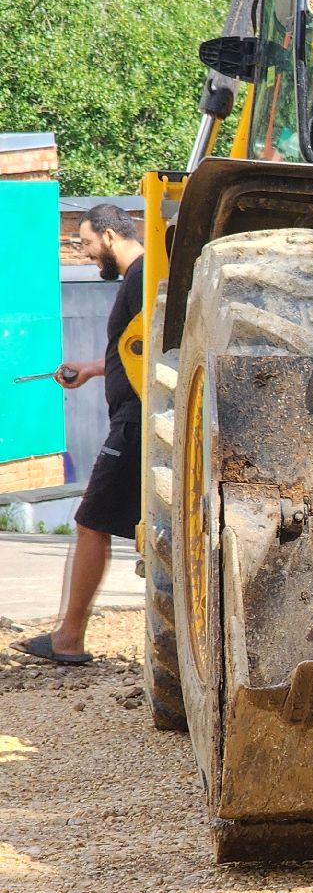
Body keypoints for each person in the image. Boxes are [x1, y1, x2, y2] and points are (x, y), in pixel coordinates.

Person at [11, 204, 146, 672]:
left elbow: (153, 351)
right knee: (96, 523)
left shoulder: (142, 276)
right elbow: (135, 348)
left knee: (90, 522)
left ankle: (68, 637)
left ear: (109, 235)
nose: (87, 256)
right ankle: (67, 633)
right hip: (132, 416)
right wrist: (93, 368)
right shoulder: (142, 277)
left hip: (135, 421)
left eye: (87, 244)